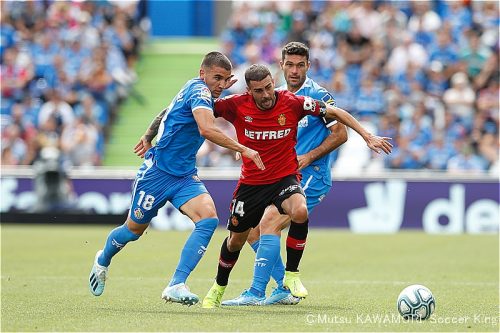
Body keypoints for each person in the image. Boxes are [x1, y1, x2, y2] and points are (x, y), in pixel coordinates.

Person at [201, 64, 392, 308]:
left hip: (285, 177)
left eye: (269, 87)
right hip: (252, 183)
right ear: (249, 91)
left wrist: (367, 135)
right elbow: (199, 110)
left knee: (299, 210)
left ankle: (290, 276)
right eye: (259, 91)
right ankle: (219, 286)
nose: (267, 94)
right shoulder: (236, 104)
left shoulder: (292, 102)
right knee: (237, 240)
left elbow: (336, 112)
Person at [88, 51, 264, 306]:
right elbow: (206, 128)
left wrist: (148, 135)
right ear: (202, 73)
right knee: (133, 230)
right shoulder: (200, 92)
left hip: (183, 176)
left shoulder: (197, 91)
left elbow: (166, 110)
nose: (221, 84)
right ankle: (102, 259)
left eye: (225, 79)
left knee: (208, 219)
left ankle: (176, 284)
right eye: (216, 77)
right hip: (156, 175)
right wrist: (242, 148)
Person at [242, 41, 348, 306]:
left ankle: (256, 292)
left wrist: (309, 156)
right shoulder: (275, 95)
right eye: (289, 64)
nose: (294, 70)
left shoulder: (319, 95)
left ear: (308, 67)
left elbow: (341, 133)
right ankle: (282, 288)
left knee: (268, 223)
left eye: (300, 65)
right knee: (250, 231)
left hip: (311, 176)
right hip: (281, 176)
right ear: (281, 65)